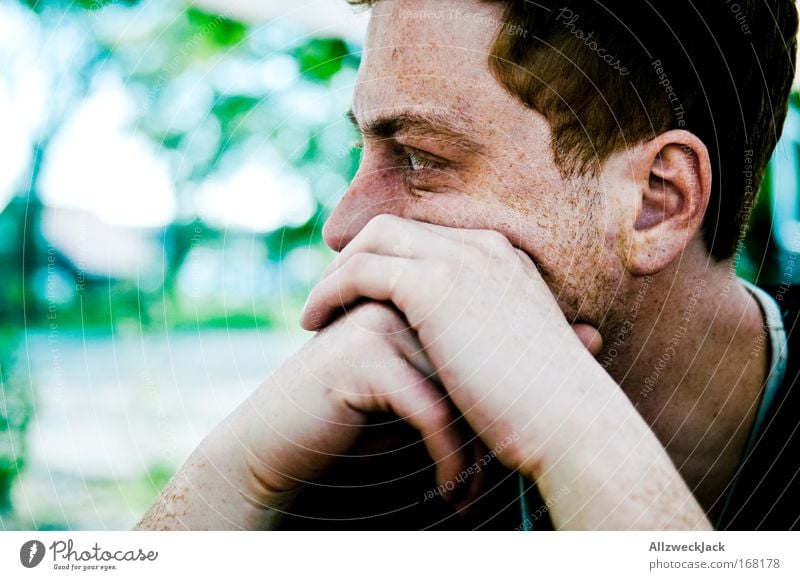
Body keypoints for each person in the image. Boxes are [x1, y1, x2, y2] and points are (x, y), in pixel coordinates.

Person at [136, 0, 800, 530]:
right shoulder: (383, 451)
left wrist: (575, 430)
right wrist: (233, 474)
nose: (342, 229)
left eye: (422, 157)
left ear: (656, 203)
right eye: (364, 150)